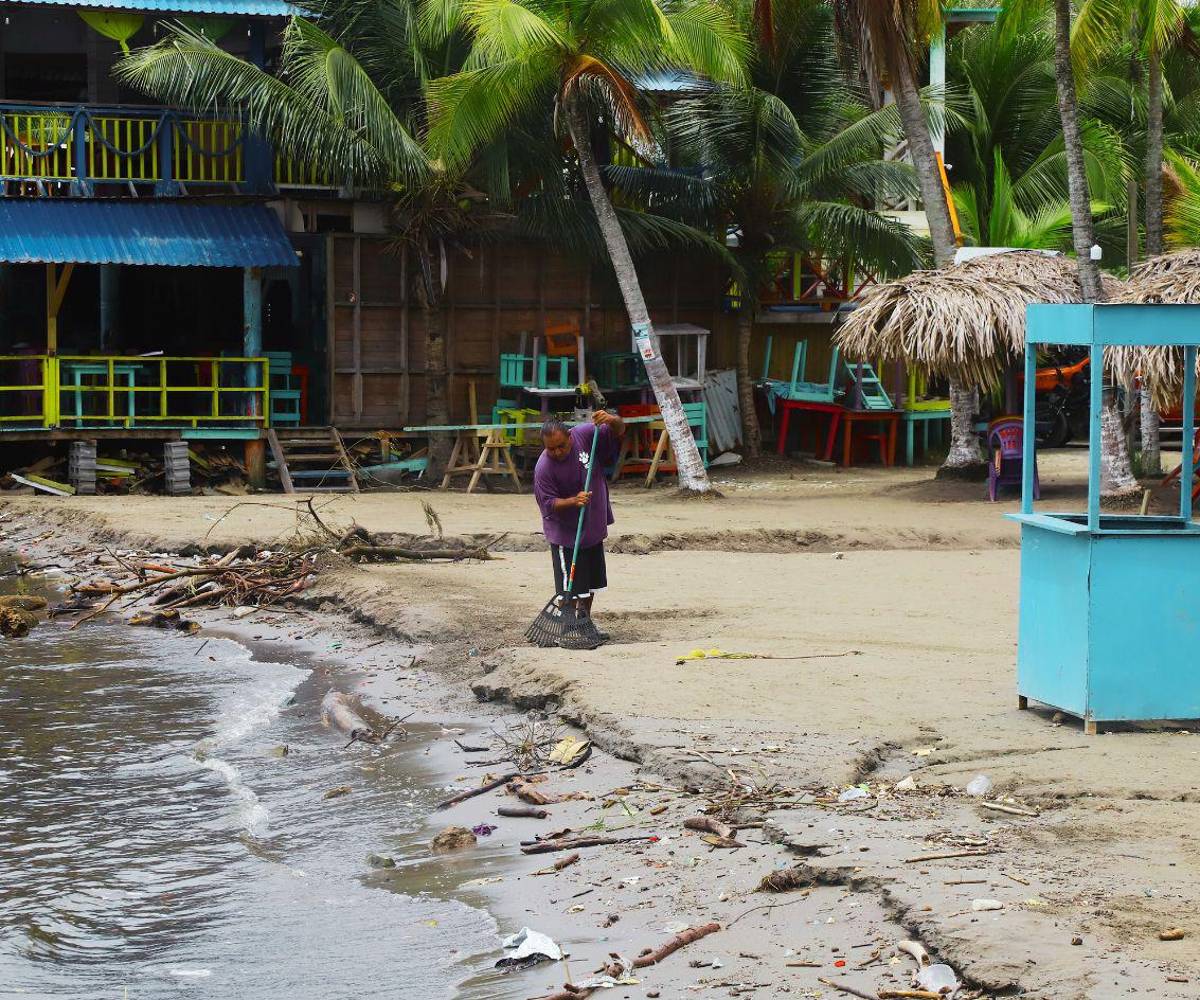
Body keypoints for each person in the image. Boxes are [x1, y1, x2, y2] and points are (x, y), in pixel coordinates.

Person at [533, 410, 625, 646]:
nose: (557, 452)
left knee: (591, 583)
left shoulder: (585, 435)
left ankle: (584, 623)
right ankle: (566, 626)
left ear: (570, 437)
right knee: (570, 586)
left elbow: (619, 430)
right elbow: (548, 503)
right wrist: (573, 501)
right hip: (567, 534)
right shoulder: (544, 467)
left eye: (561, 446)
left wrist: (612, 420)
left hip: (592, 525)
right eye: (550, 449)